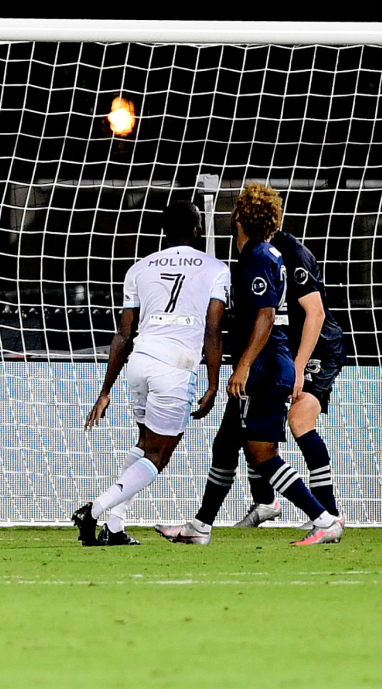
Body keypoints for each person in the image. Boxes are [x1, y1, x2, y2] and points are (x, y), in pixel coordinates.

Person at [156, 183, 344, 546]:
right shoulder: (265, 255)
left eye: (235, 208)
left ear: (241, 217)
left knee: (262, 455)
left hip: (265, 369)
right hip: (266, 365)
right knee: (226, 444)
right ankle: (200, 526)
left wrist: (242, 367)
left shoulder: (258, 257)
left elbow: (266, 315)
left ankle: (324, 518)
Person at [73, 201, 227, 546]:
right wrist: (214, 383)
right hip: (176, 366)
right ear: (197, 230)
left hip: (140, 361)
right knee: (159, 455)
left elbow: (124, 333)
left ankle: (114, 526)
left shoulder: (139, 268)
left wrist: (105, 390)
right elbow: (213, 330)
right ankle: (94, 510)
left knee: (144, 445)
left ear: (163, 231)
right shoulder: (216, 269)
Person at [229, 229, 347, 527]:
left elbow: (316, 313)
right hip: (285, 348)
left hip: (319, 346)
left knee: (299, 419)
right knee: (258, 426)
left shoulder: (293, 253)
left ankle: (328, 512)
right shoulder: (256, 253)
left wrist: (298, 366)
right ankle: (266, 502)